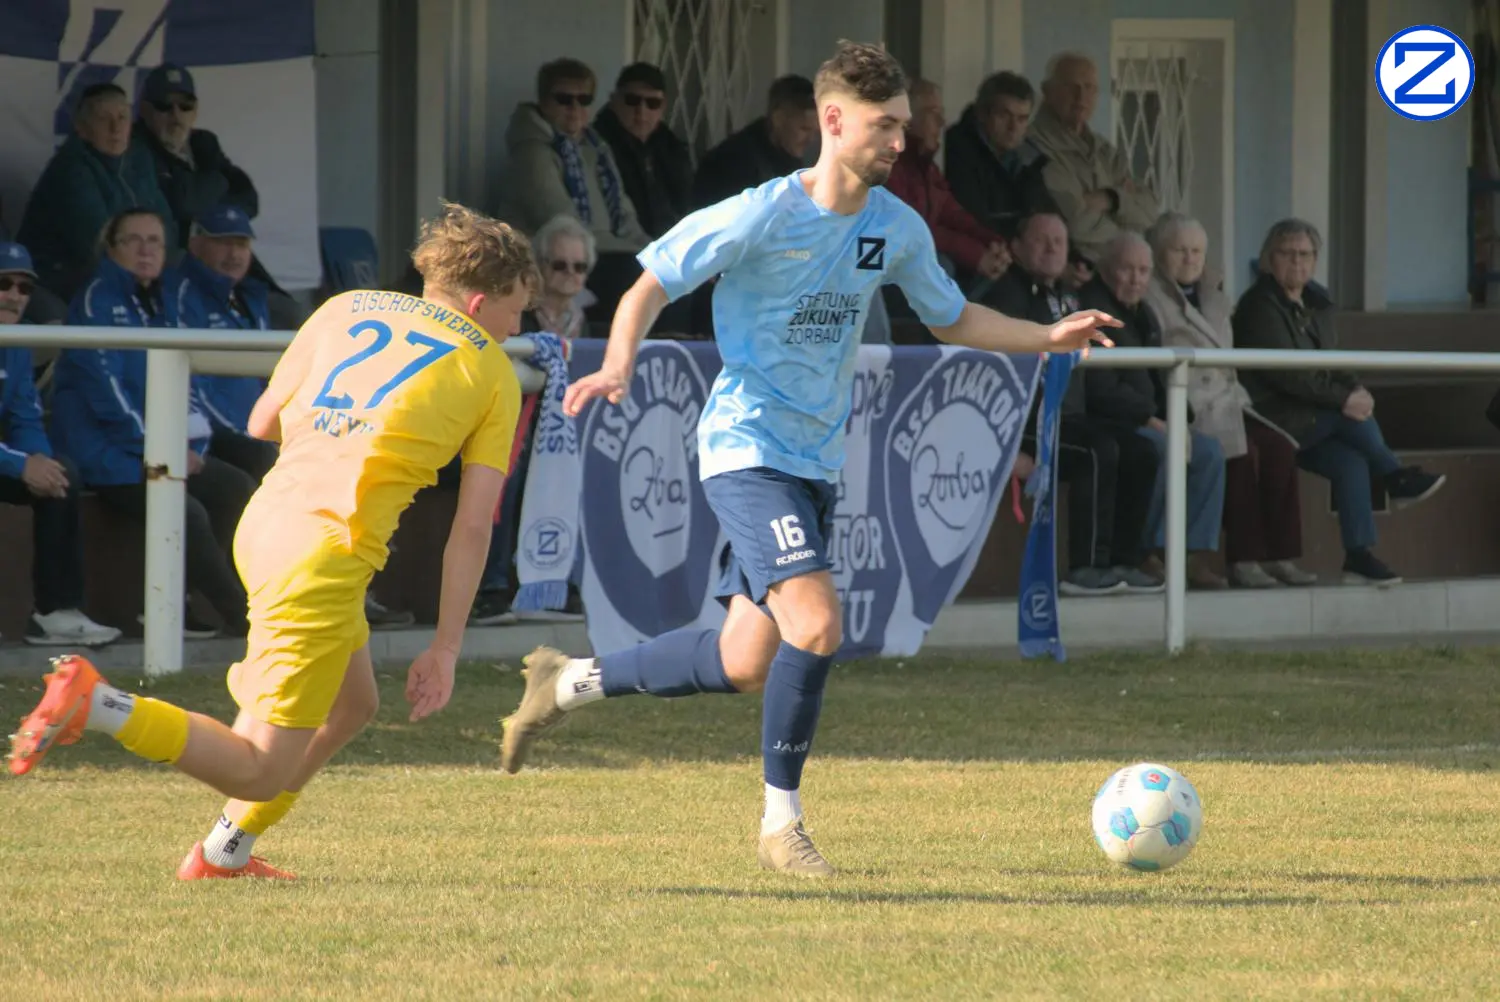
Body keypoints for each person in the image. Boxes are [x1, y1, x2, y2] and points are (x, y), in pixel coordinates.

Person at [498, 41, 1117, 878]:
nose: (900, 140)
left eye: (904, 124)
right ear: (833, 121)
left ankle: (566, 682)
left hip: (818, 462)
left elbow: (948, 317)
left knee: (743, 661)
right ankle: (779, 825)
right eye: (884, 124)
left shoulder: (895, 226)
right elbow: (650, 279)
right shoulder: (761, 212)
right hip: (746, 449)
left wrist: (1045, 336)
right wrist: (616, 361)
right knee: (820, 623)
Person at [8, 202, 532, 882]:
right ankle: (98, 703)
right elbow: (471, 524)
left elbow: (264, 420)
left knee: (354, 704)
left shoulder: (345, 308)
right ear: (481, 301)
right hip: (324, 556)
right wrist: (448, 647)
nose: (517, 328)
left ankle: (225, 854)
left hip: (266, 523)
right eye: (517, 312)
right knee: (258, 769)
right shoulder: (491, 368)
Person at [0, 240, 121, 646]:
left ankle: (56, 612)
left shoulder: (15, 342)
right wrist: (21, 466)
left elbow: (24, 416)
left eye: (24, 288)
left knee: (61, 473)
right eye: (4, 283)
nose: (14, 296)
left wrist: (39, 461)